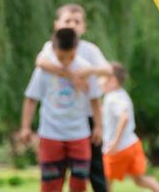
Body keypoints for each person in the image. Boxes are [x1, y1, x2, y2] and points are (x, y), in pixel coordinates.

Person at [35, 4, 112, 192]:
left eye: (77, 21)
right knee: (57, 169)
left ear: (84, 27)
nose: (72, 24)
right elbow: (40, 63)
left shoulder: (90, 50)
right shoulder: (50, 48)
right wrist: (71, 75)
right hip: (62, 119)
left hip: (87, 117)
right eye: (67, 20)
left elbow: (108, 70)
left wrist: (90, 71)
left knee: (94, 167)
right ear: (56, 24)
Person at [20, 27, 103, 192]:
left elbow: (95, 100)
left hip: (79, 133)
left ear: (77, 49)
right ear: (53, 49)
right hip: (51, 133)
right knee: (51, 182)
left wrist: (99, 126)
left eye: (70, 57)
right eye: (61, 57)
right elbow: (31, 99)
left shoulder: (85, 69)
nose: (66, 62)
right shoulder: (43, 70)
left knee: (80, 180)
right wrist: (25, 127)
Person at [100, 63, 159, 192]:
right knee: (139, 180)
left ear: (112, 81)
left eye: (101, 77)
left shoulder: (112, 98)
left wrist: (115, 143)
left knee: (104, 179)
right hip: (133, 144)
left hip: (118, 148)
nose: (99, 81)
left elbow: (124, 117)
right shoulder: (121, 94)